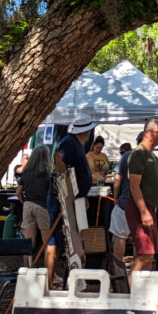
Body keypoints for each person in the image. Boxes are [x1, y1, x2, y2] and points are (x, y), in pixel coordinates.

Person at [46, 115, 94, 289]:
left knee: (68, 241)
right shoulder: (69, 144)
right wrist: (63, 202)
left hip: (71, 199)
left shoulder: (74, 144)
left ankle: (69, 281)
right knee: (56, 241)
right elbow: (60, 173)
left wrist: (81, 197)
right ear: (86, 132)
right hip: (62, 199)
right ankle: (49, 283)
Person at [127, 119, 158, 279]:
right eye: (157, 132)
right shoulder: (138, 154)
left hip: (152, 209)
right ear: (147, 133)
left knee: (151, 253)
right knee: (145, 254)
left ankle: (141, 293)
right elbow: (134, 186)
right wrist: (143, 212)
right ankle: (128, 294)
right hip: (139, 208)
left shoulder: (153, 157)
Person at [16, 145, 52, 264]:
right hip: (43, 206)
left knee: (28, 241)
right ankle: (50, 271)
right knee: (47, 241)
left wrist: (24, 202)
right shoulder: (47, 173)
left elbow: (18, 192)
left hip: (28, 205)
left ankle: (27, 268)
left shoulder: (26, 172)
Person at [110, 141, 134, 261]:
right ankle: (137, 271)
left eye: (121, 152)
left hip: (125, 202)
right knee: (137, 238)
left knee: (120, 237)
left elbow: (117, 179)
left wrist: (115, 198)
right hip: (141, 204)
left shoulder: (126, 157)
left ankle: (117, 268)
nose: (121, 154)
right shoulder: (151, 157)